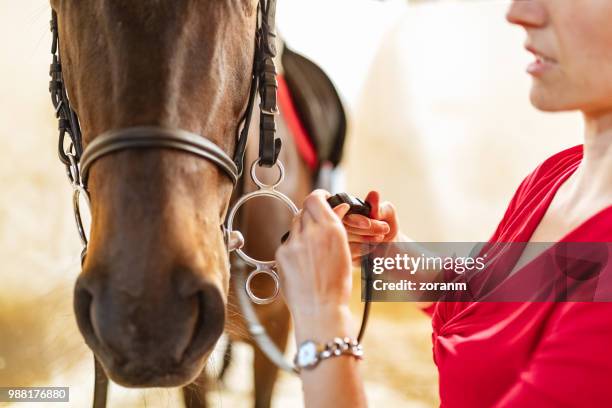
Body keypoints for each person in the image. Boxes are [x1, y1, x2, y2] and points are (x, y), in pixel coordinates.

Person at [275, 1, 612, 407]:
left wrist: (321, 318)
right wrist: (390, 254)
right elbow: (491, 298)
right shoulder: (556, 175)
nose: (519, 13)